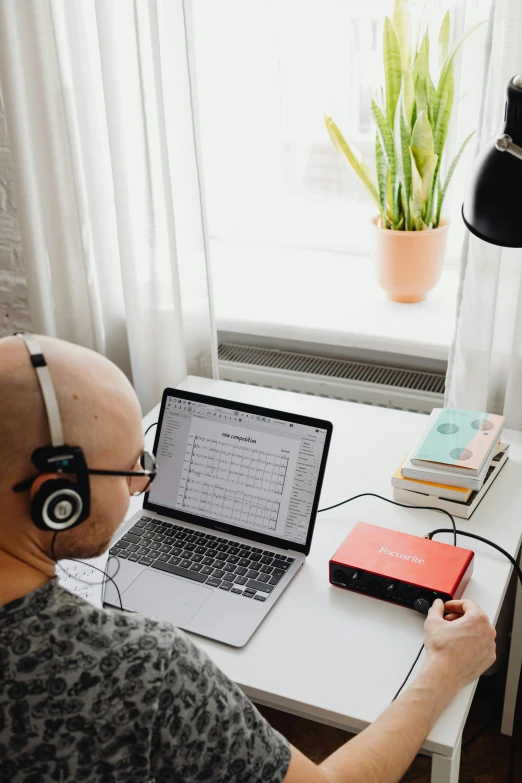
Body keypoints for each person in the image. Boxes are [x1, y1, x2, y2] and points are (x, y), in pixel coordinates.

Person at [0, 334, 497, 783]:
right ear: (58, 500)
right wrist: (445, 667)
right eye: (130, 466)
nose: (142, 483)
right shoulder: (143, 670)